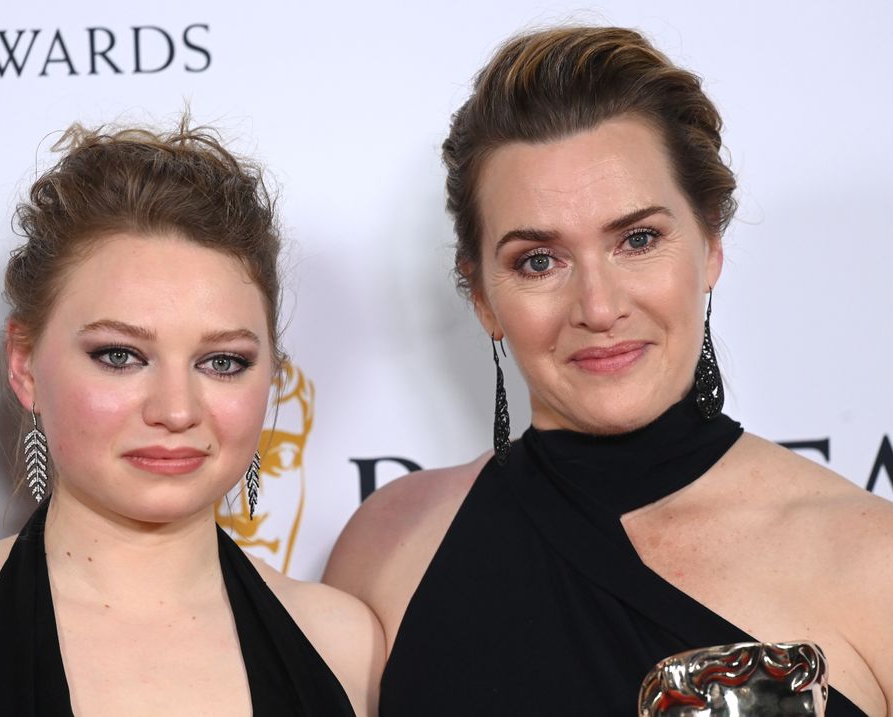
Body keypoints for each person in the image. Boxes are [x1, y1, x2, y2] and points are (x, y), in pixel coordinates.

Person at [324, 26, 893, 716]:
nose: (598, 306)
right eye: (539, 260)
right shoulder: (389, 549)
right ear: (481, 296)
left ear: (711, 244)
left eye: (638, 239)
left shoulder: (873, 559)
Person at [0, 120, 382, 716]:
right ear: (25, 365)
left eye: (222, 361)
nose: (176, 410)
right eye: (120, 356)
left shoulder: (346, 648)